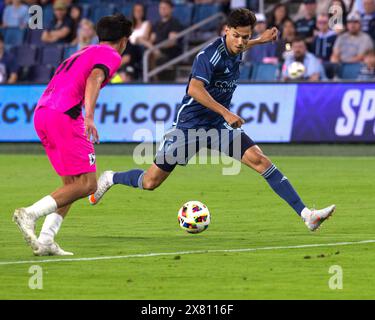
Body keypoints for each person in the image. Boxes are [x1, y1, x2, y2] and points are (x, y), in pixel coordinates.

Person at [90, 9, 335, 233]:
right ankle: (112, 177)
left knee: (260, 160)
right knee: (151, 181)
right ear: (226, 31)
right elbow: (195, 89)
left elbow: (242, 45)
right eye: (237, 36)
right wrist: (226, 112)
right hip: (190, 126)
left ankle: (307, 215)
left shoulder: (237, 46)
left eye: (246, 36)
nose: (241, 42)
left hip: (217, 127)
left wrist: (260, 40)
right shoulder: (208, 56)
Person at [12, 14, 132, 256]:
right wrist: (89, 116)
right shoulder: (111, 55)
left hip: (43, 113)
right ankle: (30, 213)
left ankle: (46, 240)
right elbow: (94, 79)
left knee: (71, 184)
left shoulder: (84, 51)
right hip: (65, 115)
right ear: (123, 40)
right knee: (88, 184)